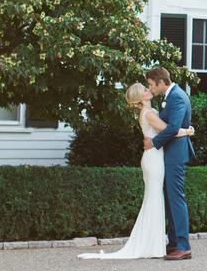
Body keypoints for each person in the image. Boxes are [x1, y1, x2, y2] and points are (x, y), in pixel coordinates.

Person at [78, 82, 194, 260]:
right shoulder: (148, 114)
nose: (149, 90)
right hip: (154, 159)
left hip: (153, 157)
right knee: (155, 199)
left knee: (154, 198)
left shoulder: (149, 112)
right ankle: (152, 245)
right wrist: (188, 131)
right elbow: (170, 131)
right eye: (146, 89)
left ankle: (155, 244)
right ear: (142, 97)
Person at [144, 66, 195, 261]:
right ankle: (174, 243)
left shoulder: (177, 97)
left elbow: (174, 128)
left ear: (160, 81)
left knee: (176, 198)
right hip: (169, 153)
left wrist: (153, 143)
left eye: (151, 84)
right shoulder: (170, 96)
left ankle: (183, 245)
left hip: (176, 154)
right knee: (170, 197)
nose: (151, 88)